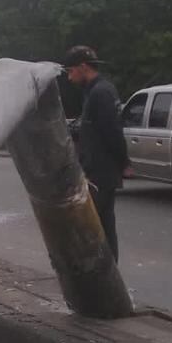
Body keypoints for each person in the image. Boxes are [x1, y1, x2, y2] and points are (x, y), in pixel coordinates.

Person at [63, 46, 128, 261]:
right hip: (94, 171)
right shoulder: (92, 92)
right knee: (100, 226)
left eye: (71, 71)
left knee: (99, 228)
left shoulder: (101, 92)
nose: (70, 78)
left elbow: (113, 132)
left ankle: (108, 278)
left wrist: (124, 162)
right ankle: (107, 275)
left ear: (83, 67)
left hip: (102, 174)